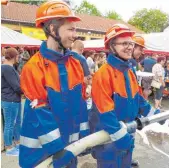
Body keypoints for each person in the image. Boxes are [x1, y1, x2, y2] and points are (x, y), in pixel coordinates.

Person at [19, 1, 89, 167]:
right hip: (42, 156)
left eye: (75, 29)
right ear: (52, 29)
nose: (75, 35)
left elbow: (81, 104)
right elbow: (41, 114)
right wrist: (58, 150)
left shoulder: (75, 64)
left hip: (70, 150)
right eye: (70, 29)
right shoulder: (33, 68)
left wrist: (84, 136)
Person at [89, 24, 152, 168]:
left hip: (127, 134)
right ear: (111, 46)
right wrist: (120, 135)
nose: (130, 47)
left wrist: (153, 112)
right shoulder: (102, 75)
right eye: (124, 43)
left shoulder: (129, 71)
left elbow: (138, 99)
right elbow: (104, 112)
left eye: (131, 43)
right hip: (108, 141)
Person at [1, 48, 22, 156]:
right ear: (14, 56)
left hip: (13, 100)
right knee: (10, 124)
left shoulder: (8, 67)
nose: (19, 57)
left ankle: (17, 143)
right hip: (10, 100)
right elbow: (16, 87)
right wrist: (27, 91)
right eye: (18, 55)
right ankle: (9, 147)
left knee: (16, 123)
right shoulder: (7, 68)